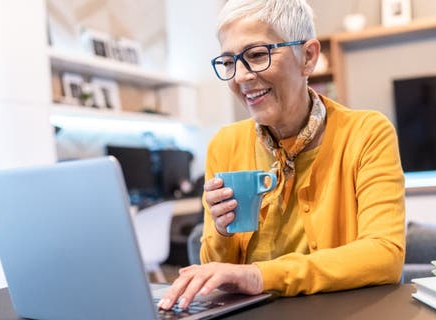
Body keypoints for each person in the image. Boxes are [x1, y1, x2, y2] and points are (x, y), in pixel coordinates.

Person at [158, 0, 405, 310]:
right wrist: (221, 231)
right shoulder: (224, 144)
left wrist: (260, 276)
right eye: (229, 62)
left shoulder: (367, 133)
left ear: (308, 57)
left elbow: (384, 255)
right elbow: (218, 274)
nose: (241, 77)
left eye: (258, 55)